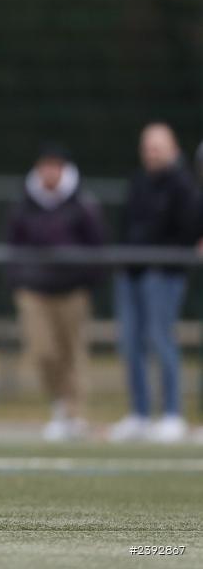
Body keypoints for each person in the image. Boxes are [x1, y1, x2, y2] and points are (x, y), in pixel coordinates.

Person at [6, 145, 105, 442]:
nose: (49, 172)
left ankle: (74, 413)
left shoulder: (82, 204)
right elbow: (12, 246)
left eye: (55, 166)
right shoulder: (25, 204)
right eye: (45, 165)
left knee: (73, 353)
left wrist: (86, 280)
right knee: (43, 352)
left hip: (72, 290)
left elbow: (97, 244)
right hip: (34, 290)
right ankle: (60, 406)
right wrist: (20, 280)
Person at [110, 123, 198, 443]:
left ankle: (172, 413)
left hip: (164, 274)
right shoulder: (138, 181)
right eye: (147, 147)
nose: (152, 153)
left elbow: (189, 229)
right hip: (132, 272)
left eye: (158, 147)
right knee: (131, 344)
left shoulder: (183, 184)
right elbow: (126, 225)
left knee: (161, 339)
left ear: (173, 149)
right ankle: (140, 414)